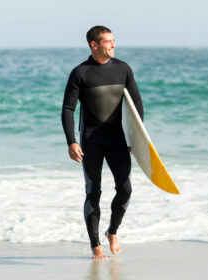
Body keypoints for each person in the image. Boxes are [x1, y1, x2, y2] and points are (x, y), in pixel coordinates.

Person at [61, 26, 144, 259]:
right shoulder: (81, 73)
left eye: (114, 40)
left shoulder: (123, 69)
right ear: (94, 45)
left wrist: (135, 137)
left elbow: (136, 103)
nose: (113, 45)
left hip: (117, 139)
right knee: (93, 192)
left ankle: (112, 231)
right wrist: (71, 141)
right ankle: (95, 245)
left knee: (126, 189)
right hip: (91, 141)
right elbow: (68, 109)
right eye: (108, 41)